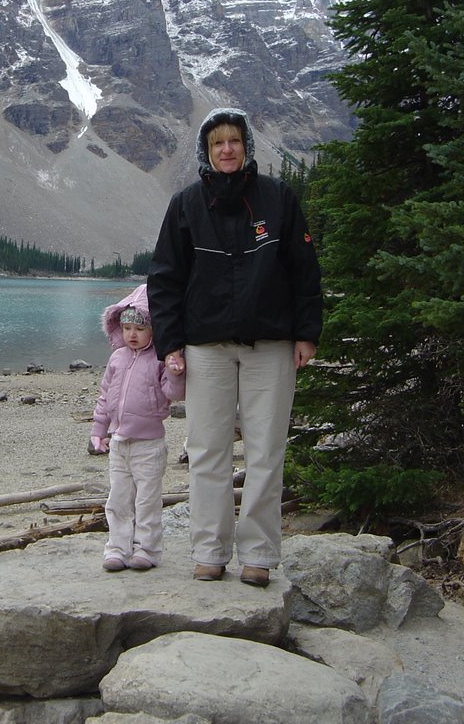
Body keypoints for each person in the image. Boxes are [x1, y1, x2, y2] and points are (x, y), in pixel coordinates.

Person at [147, 108, 322, 587]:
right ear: (206, 152)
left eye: (234, 142)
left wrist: (307, 332)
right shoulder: (186, 204)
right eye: (217, 144)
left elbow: (305, 269)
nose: (227, 150)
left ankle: (259, 555)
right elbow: (164, 280)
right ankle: (209, 551)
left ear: (246, 147)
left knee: (266, 450)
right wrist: (170, 345)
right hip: (206, 347)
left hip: (272, 344)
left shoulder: (278, 199)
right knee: (206, 449)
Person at [90, 283, 185, 572]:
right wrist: (98, 428)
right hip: (119, 442)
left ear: (154, 329)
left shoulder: (159, 359)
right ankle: (117, 548)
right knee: (118, 499)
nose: (132, 334)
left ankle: (147, 549)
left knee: (147, 501)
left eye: (140, 328)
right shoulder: (117, 358)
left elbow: (175, 393)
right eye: (128, 327)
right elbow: (105, 395)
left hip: (149, 445)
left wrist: (174, 370)